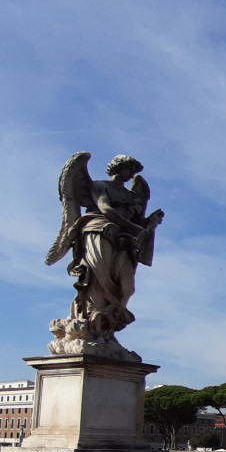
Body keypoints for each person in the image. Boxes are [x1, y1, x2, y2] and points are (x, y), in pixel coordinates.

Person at [47, 153, 165, 360]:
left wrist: (152, 221)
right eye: (129, 169)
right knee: (98, 277)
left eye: (133, 171)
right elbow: (105, 208)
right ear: (118, 168)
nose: (131, 175)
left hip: (124, 240)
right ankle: (92, 325)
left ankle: (107, 325)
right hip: (99, 231)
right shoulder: (99, 186)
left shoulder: (131, 196)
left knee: (127, 287)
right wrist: (132, 226)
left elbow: (140, 225)